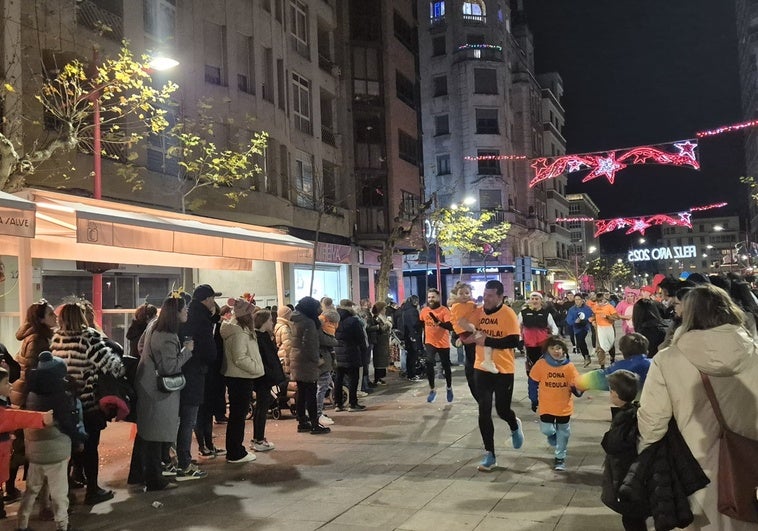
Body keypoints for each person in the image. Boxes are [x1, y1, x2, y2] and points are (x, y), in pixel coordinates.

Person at [637, 284, 758, 529]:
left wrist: (647, 454)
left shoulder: (667, 359)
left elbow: (653, 422)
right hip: (750, 462)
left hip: (692, 468)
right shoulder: (754, 352)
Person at [51, 302, 124, 505]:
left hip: (64, 402)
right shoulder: (88, 338)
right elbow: (112, 366)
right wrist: (120, 366)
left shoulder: (57, 339)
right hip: (86, 402)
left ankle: (64, 490)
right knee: (91, 446)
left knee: (69, 446)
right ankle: (93, 490)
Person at [460, 280, 524, 472]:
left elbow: (513, 341)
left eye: (490, 296)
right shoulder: (478, 312)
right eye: (485, 294)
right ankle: (490, 454)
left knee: (502, 410)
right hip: (482, 368)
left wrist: (488, 340)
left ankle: (514, 425)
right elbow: (464, 331)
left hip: (504, 369)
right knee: (484, 410)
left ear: (500, 297)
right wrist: (465, 338)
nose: (485, 299)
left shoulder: (508, 314)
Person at [17, 354, 86, 531]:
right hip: (56, 452)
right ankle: (62, 524)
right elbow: (69, 424)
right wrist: (79, 440)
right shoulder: (61, 396)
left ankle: (22, 524)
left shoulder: (31, 392)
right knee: (59, 493)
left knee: (32, 490)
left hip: (34, 452)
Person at [135, 296, 193, 490]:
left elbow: (140, 346)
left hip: (147, 385)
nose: (187, 312)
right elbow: (170, 367)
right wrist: (187, 350)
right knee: (155, 435)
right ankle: (154, 480)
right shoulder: (167, 336)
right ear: (175, 313)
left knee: (149, 434)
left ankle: (145, 476)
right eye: (184, 309)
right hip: (159, 393)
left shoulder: (153, 327)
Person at [8, 299, 57, 501]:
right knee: (22, 446)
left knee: (26, 445)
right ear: (41, 319)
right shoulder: (37, 340)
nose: (55, 317)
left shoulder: (38, 336)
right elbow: (32, 373)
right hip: (28, 398)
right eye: (51, 314)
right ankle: (10, 488)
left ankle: (26, 488)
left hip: (27, 396)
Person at [176, 284, 220, 478]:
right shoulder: (199, 319)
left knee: (190, 416)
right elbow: (204, 347)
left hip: (190, 371)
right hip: (194, 372)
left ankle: (183, 457)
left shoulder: (197, 316)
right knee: (190, 417)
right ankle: (184, 462)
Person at [601, 370, 648, 531]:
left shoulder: (626, 418)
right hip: (633, 476)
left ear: (616, 393)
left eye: (611, 391)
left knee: (632, 519)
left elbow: (612, 445)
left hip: (627, 476)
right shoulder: (635, 411)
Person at [528, 336, 582, 471]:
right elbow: (532, 382)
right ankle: (553, 438)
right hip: (546, 406)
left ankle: (560, 457)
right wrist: (534, 400)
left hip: (564, 407)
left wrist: (579, 389)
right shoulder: (541, 364)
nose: (556, 351)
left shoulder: (569, 367)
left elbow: (576, 384)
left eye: (558, 348)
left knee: (563, 433)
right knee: (547, 430)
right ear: (547, 350)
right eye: (552, 348)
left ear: (564, 349)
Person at [220, 297, 262, 463]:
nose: (253, 317)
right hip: (240, 377)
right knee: (238, 416)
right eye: (251, 314)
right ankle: (236, 451)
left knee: (237, 416)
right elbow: (240, 357)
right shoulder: (238, 332)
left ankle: (236, 449)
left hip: (239, 376)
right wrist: (257, 368)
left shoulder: (239, 329)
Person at [290, 296, 332, 433]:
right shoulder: (309, 323)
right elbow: (311, 344)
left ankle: (302, 421)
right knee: (310, 393)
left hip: (297, 359)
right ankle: (315, 423)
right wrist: (317, 360)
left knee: (301, 392)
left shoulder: (297, 320)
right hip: (307, 362)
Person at [195, 302, 227, 459]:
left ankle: (209, 444)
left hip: (213, 374)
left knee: (207, 411)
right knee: (201, 412)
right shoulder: (202, 327)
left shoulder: (215, 326)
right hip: (203, 373)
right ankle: (203, 446)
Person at [252, 308, 286, 451]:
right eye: (270, 320)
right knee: (261, 408)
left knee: (262, 407)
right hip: (264, 378)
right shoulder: (260, 339)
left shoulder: (263, 336)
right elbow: (265, 360)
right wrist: (272, 374)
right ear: (264, 322)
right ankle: (258, 439)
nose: (272, 322)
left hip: (265, 377)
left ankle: (258, 438)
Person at [519, 292, 559, 411]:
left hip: (543, 348)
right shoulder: (523, 313)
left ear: (541, 301)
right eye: (532, 298)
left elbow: (554, 328)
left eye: (537, 298)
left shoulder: (546, 314)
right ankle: (533, 399)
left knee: (544, 373)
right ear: (529, 300)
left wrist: (552, 337)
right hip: (529, 348)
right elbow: (517, 327)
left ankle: (546, 397)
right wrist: (520, 340)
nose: (534, 300)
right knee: (532, 374)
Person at [419, 288, 455, 403]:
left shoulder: (444, 310)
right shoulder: (424, 311)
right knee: (429, 362)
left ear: (438, 298)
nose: (431, 299)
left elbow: (450, 327)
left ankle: (449, 387)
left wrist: (439, 322)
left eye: (433, 297)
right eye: (429, 297)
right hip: (430, 342)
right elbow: (420, 325)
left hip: (443, 342)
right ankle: (432, 389)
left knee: (446, 366)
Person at [334, 299, 368, 412]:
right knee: (353, 378)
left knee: (338, 379)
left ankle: (338, 403)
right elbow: (360, 337)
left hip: (337, 354)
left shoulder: (335, 320)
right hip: (351, 352)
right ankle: (352, 403)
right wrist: (363, 349)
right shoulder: (353, 321)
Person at [591, 292, 619, 369]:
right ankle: (602, 365)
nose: (599, 303)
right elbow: (594, 315)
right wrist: (593, 320)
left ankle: (612, 359)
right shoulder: (595, 307)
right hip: (599, 328)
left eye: (601, 301)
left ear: (604, 300)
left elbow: (616, 317)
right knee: (600, 347)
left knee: (610, 344)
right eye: (598, 301)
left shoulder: (610, 307)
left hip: (609, 328)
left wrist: (607, 317)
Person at [397, 295, 422, 381]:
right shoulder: (412, 311)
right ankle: (412, 374)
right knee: (413, 356)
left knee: (409, 356)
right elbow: (414, 324)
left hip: (407, 336)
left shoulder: (404, 310)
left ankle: (409, 373)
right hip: (412, 336)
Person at [566, 293, 594, 367]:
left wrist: (587, 320)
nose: (577, 301)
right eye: (576, 300)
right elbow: (569, 320)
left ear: (582, 300)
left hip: (584, 327)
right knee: (580, 343)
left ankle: (586, 357)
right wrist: (575, 321)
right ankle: (586, 356)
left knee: (581, 340)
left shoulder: (587, 308)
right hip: (576, 328)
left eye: (579, 299)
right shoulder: (572, 309)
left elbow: (591, 316)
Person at [368, 302, 391, 386]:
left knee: (383, 360)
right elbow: (381, 329)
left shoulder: (382, 317)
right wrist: (387, 324)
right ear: (380, 310)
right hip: (379, 342)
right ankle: (377, 378)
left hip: (383, 341)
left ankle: (380, 377)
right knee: (379, 360)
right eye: (384, 308)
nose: (385, 310)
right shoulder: (376, 318)